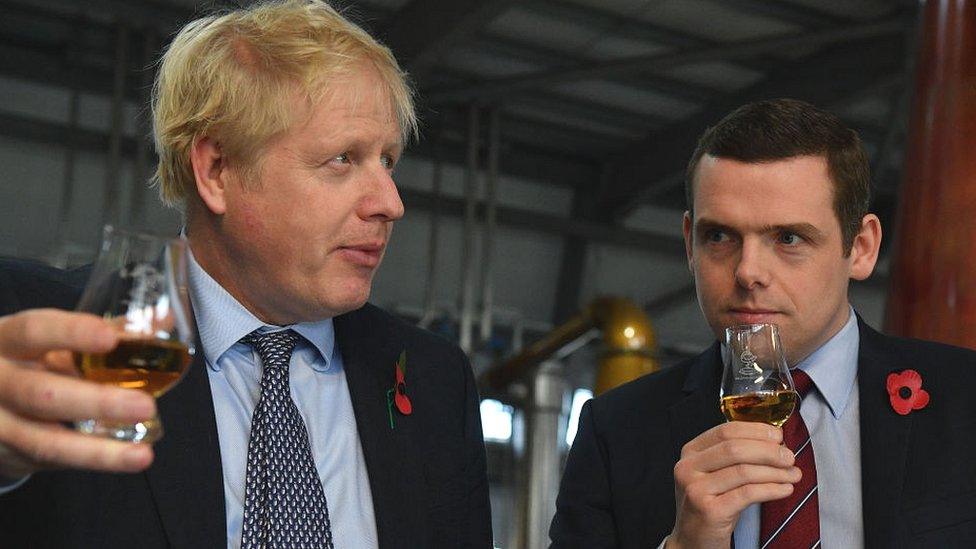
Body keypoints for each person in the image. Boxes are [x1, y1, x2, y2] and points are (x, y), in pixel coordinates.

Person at [0, 1, 492, 547]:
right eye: (342, 160)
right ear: (216, 171)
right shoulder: (38, 336)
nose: (390, 203)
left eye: (388, 161)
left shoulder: (433, 379)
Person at [549, 98, 976, 548]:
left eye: (788, 238)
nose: (747, 271)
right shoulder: (617, 431)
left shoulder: (967, 400)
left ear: (863, 247)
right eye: (719, 236)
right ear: (689, 245)